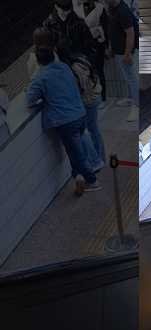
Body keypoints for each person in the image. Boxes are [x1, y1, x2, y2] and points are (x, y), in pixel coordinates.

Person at [26, 43, 101, 195]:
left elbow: (30, 99)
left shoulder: (41, 78)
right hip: (79, 114)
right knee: (77, 148)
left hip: (65, 121)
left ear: (39, 62)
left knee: (76, 153)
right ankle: (78, 177)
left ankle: (92, 181)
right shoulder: (65, 68)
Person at [72, 0, 109, 106]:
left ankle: (103, 98)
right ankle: (91, 95)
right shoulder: (78, 9)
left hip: (98, 43)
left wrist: (106, 45)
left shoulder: (99, 8)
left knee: (99, 70)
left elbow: (105, 27)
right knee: (88, 71)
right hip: (84, 45)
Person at [105, 0, 139, 107]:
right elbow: (112, 30)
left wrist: (127, 53)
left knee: (132, 79)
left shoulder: (122, 10)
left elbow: (130, 34)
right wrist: (111, 47)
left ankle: (136, 106)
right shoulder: (112, 9)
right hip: (119, 51)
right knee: (128, 78)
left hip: (125, 52)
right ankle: (130, 99)